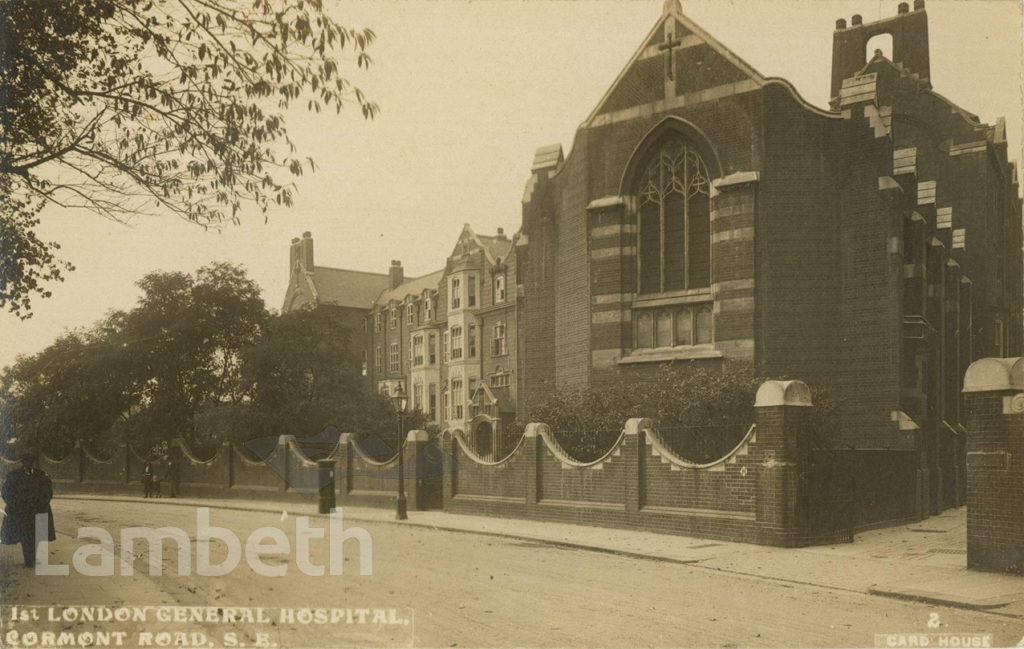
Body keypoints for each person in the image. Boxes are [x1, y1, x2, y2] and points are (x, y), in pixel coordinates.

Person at [1, 454, 56, 567]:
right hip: (22, 511)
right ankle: (28, 559)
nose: (29, 464)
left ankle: (33, 557)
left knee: (37, 535)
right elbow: (6, 492)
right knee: (25, 536)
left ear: (33, 463)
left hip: (38, 509)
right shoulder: (14, 475)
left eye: (31, 462)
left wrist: (43, 503)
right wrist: (14, 504)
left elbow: (48, 491)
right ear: (22, 463)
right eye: (26, 461)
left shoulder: (41, 475)